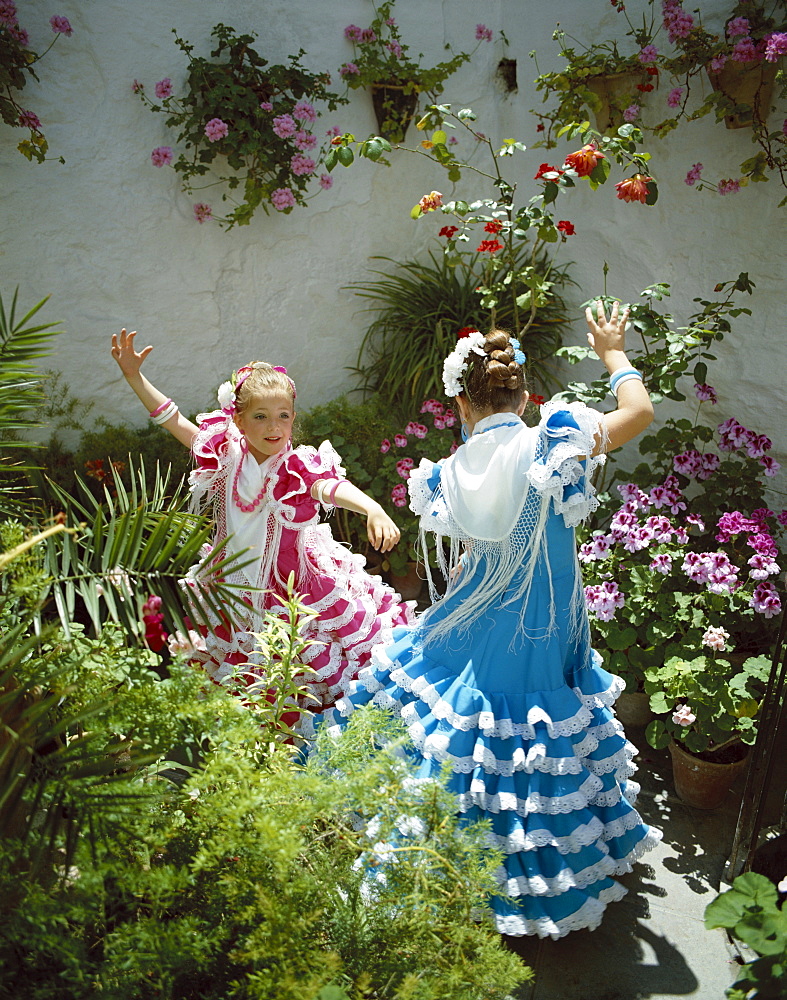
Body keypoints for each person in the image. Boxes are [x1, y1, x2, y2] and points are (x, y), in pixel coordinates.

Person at [318, 301, 661, 939]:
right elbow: (639, 413)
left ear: (461, 407)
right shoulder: (550, 440)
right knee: (529, 745)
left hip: (473, 612)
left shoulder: (448, 471)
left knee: (465, 737)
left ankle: (440, 853)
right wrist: (613, 352)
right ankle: (527, 877)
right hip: (540, 619)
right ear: (525, 395)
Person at [110, 328, 415, 714]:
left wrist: (372, 507)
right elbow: (176, 423)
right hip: (233, 579)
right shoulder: (226, 451)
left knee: (304, 663)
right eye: (261, 417)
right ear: (237, 419)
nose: (274, 427)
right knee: (246, 667)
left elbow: (328, 486)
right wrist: (135, 377)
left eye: (283, 416)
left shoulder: (292, 466)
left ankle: (315, 731)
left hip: (289, 584)